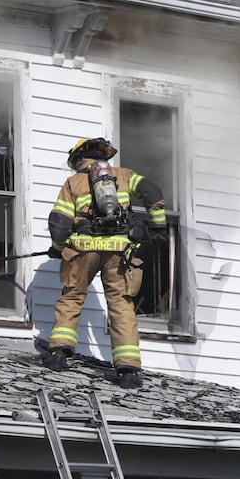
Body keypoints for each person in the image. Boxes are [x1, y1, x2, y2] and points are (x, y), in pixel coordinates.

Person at [44, 136, 167, 390]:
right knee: (122, 303)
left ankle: (58, 354)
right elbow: (153, 193)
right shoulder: (124, 176)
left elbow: (59, 223)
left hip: (82, 249)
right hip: (119, 252)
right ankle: (129, 369)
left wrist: (57, 249)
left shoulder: (73, 182)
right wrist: (158, 227)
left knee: (72, 296)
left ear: (80, 159)